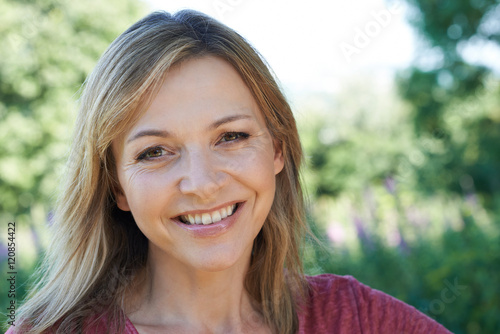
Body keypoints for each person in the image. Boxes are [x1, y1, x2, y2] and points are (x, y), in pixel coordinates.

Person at [9, 10, 452, 334]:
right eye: (156, 151)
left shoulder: (357, 321)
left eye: (231, 137)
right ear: (117, 187)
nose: (202, 183)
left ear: (277, 149)